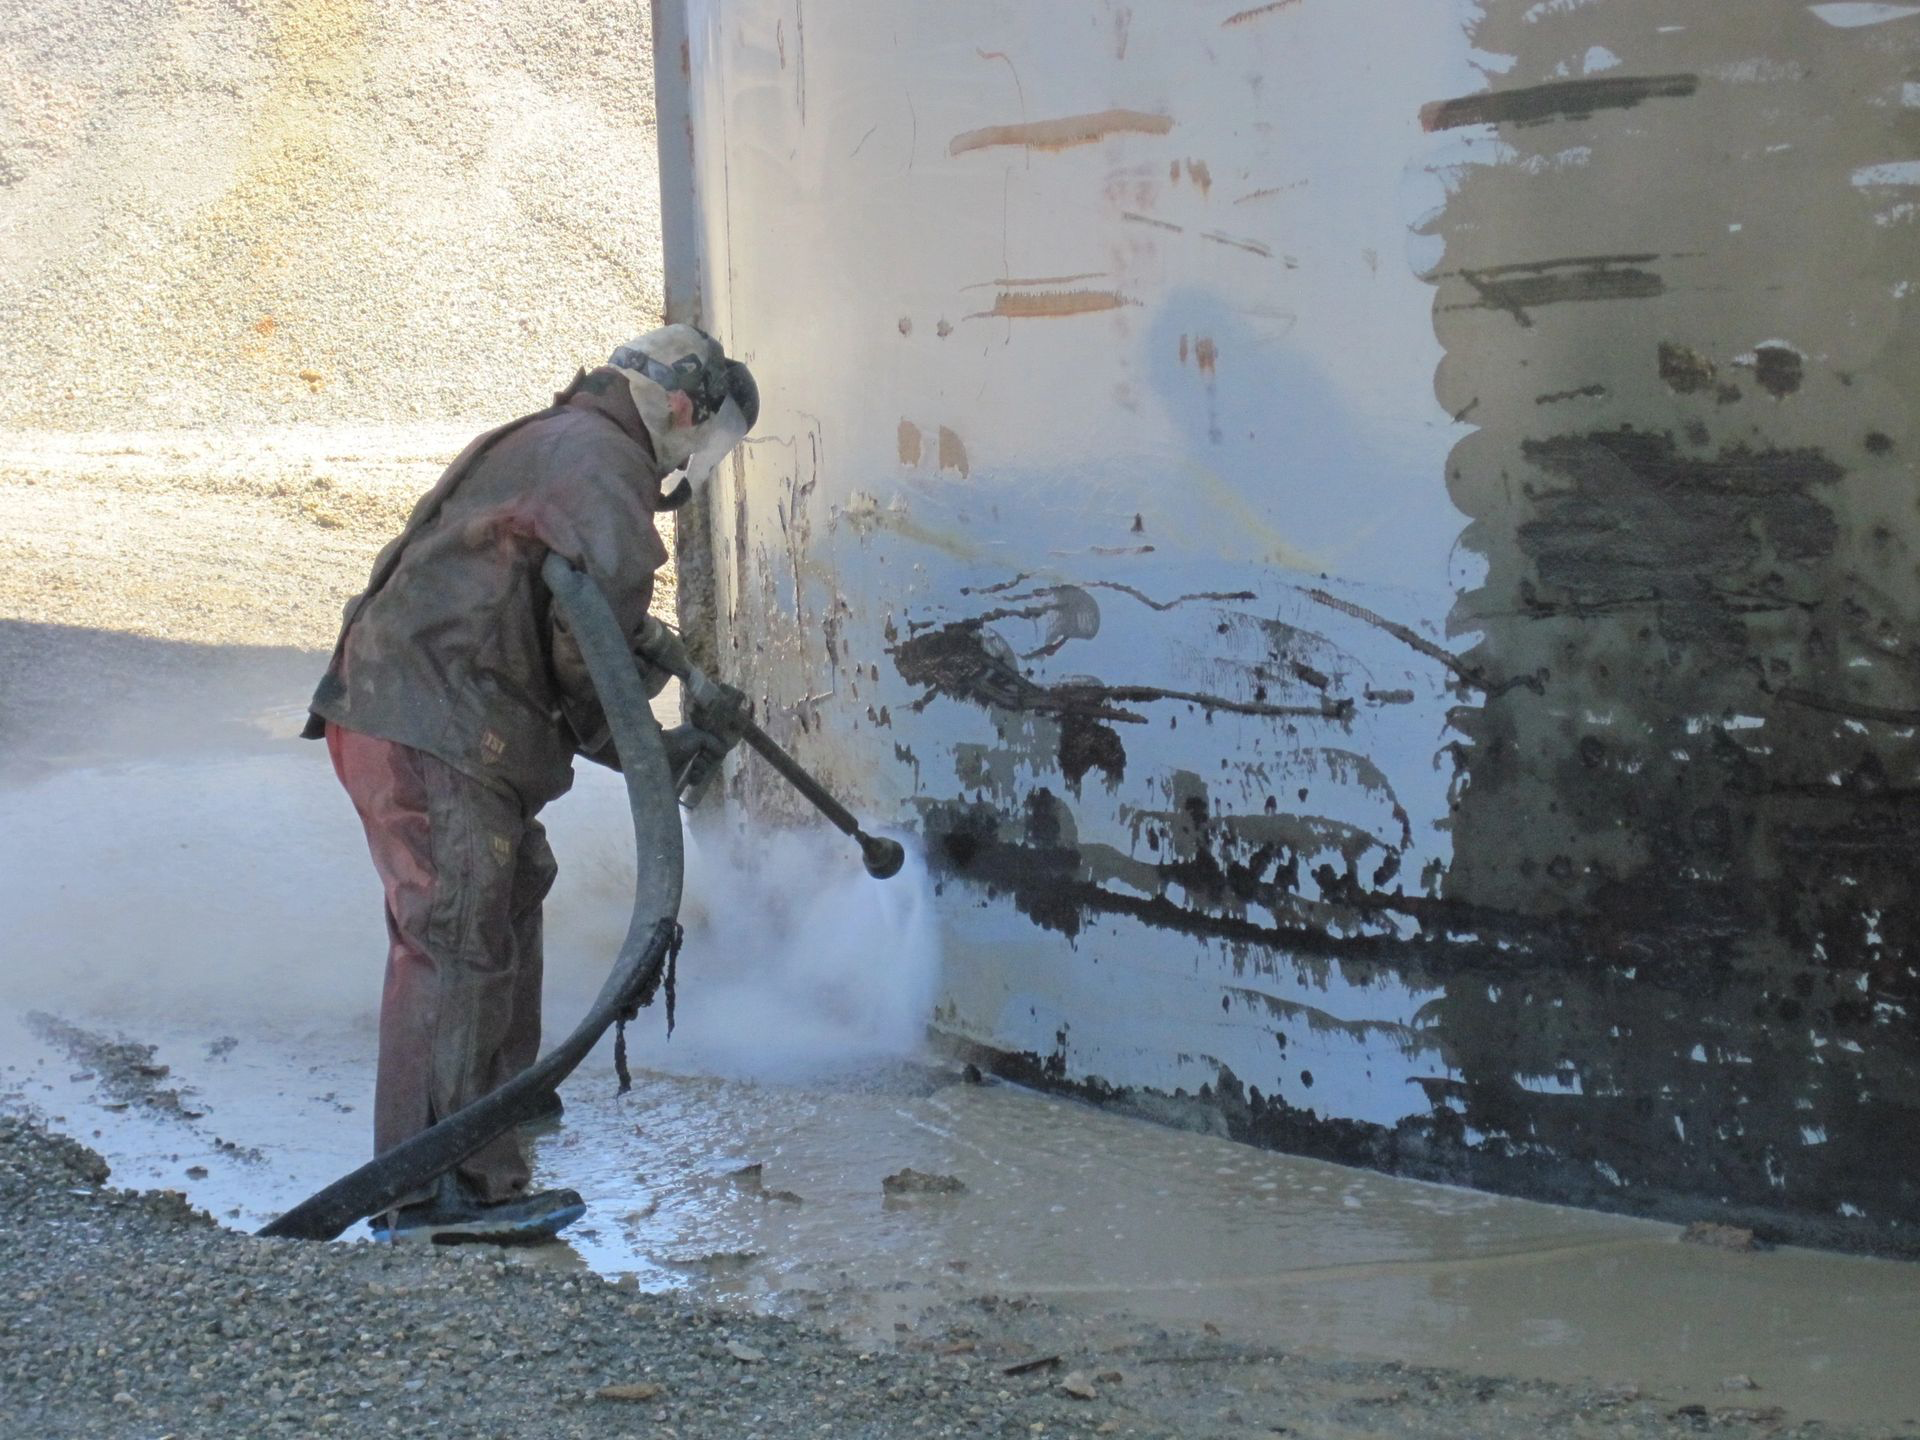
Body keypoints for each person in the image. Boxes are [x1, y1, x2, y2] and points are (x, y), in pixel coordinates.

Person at [302, 326, 758, 1243]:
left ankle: (495, 1113)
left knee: (508, 891)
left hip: (424, 712)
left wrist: (655, 684)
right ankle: (437, 1194)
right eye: (708, 437)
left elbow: (578, 614)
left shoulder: (560, 441)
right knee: (458, 934)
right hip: (436, 723)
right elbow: (587, 645)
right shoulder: (601, 463)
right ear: (683, 406)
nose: (696, 461)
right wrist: (647, 751)